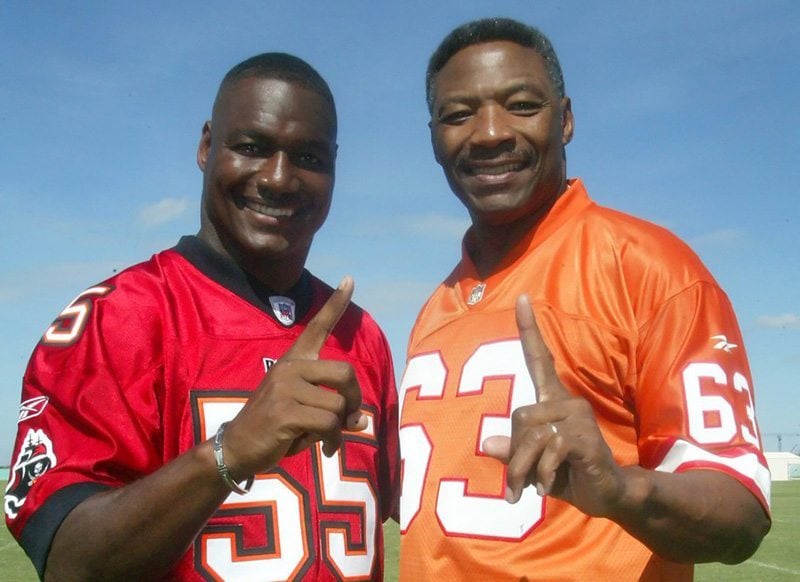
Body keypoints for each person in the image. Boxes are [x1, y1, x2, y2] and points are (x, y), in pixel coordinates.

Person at [398, 17, 771, 580]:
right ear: (433, 138)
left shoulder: (650, 267)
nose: (491, 131)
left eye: (522, 105)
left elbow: (740, 513)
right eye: (458, 114)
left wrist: (620, 489)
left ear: (566, 120)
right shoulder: (435, 307)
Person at [5, 52, 399, 581]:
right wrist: (228, 453)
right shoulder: (117, 318)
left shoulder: (362, 335)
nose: (280, 179)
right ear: (207, 146)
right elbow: (68, 563)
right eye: (252, 147)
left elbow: (417, 508)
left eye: (308, 156)